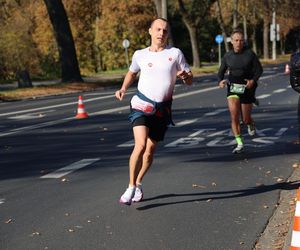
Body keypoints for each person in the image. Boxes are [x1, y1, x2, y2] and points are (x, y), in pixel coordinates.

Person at [115, 18, 193, 205]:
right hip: (140, 105)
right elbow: (132, 72)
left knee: (149, 152)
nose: (161, 33)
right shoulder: (140, 54)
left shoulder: (175, 54)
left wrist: (185, 77)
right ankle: (130, 187)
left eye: (165, 31)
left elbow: (190, 80)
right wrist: (124, 88)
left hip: (161, 110)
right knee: (140, 145)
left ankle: (139, 182)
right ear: (150, 31)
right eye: (157, 29)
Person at [218, 29, 263, 154]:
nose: (239, 43)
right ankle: (239, 143)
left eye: (241, 40)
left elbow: (259, 70)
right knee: (234, 116)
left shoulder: (250, 54)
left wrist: (253, 81)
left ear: (244, 42)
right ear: (232, 42)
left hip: (247, 88)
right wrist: (220, 81)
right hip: (233, 88)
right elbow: (221, 72)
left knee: (245, 119)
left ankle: (250, 123)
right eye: (236, 40)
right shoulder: (227, 56)